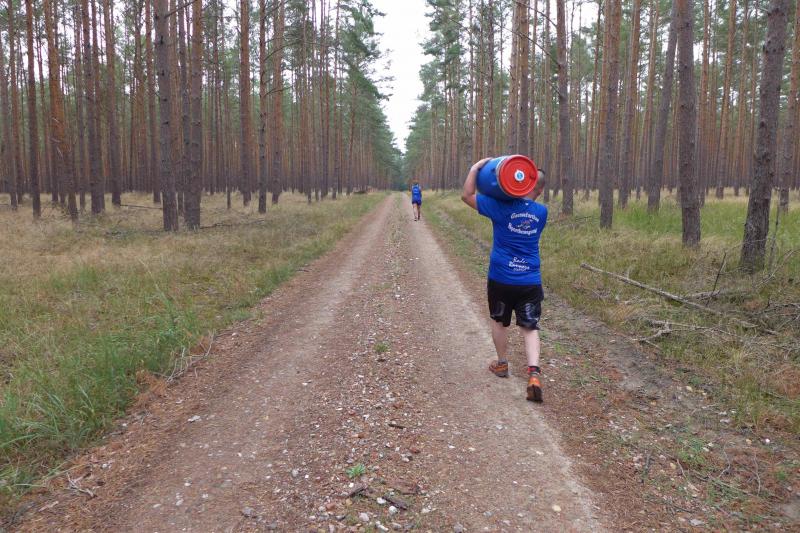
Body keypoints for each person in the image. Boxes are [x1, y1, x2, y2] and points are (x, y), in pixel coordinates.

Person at [461, 160, 548, 402]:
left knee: (499, 321)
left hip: (501, 277)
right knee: (530, 327)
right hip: (530, 279)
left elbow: (467, 195)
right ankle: (533, 374)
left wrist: (475, 169)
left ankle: (501, 364)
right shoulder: (542, 212)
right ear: (540, 189)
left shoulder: (500, 207)